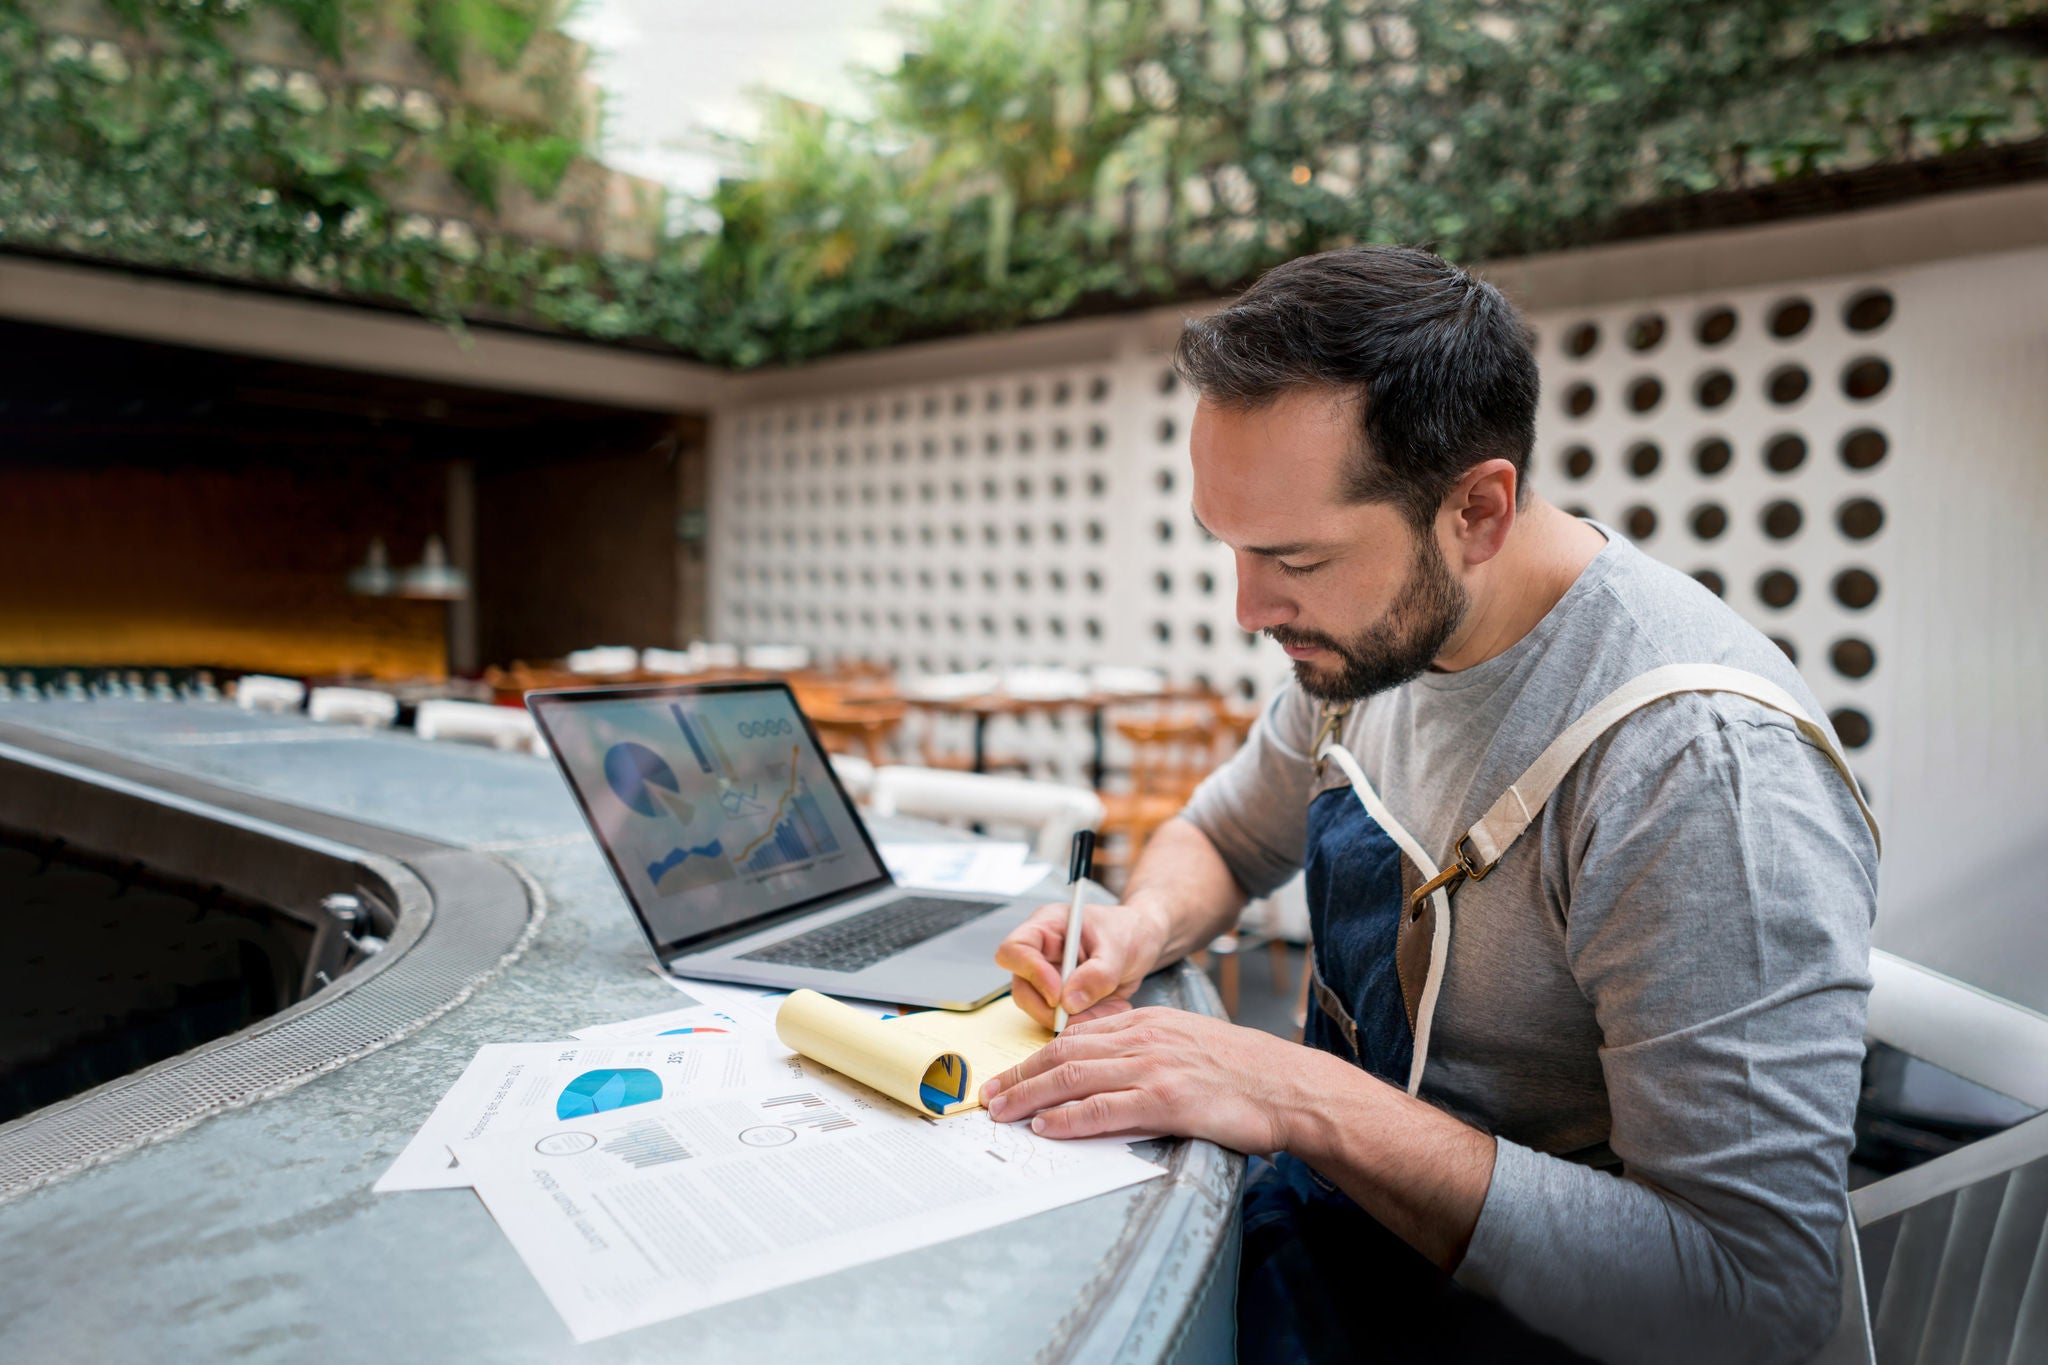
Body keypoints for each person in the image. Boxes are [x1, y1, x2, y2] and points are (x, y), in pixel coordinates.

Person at [980, 246, 1879, 1364]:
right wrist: (1141, 925)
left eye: (1291, 558)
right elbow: (1218, 832)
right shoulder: (1368, 649)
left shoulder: (1695, 772)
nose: (1247, 608)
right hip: (1335, 1256)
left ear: (1476, 509)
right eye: (1230, 550)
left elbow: (1748, 1300)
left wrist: (1298, 1096)